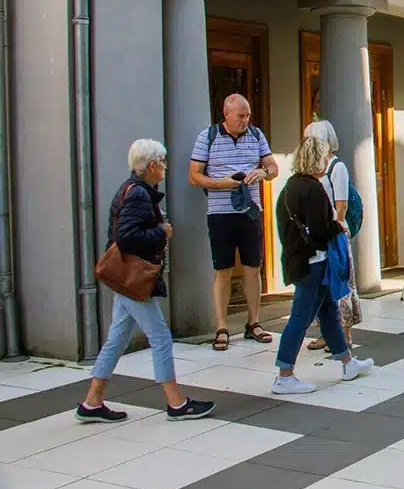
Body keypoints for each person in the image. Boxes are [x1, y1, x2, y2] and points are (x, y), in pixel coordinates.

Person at [78, 140, 216, 423]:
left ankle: (92, 402)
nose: (165, 166)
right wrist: (161, 231)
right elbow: (126, 238)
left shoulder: (131, 189)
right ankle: (176, 403)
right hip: (135, 279)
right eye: (162, 161)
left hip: (126, 278)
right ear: (151, 165)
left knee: (117, 339)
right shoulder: (139, 194)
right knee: (161, 338)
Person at [272, 136, 374, 394]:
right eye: (325, 156)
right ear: (318, 158)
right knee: (300, 317)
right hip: (314, 263)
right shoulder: (314, 189)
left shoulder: (289, 188)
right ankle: (284, 375)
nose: (328, 161)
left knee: (329, 312)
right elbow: (321, 229)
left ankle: (347, 362)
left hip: (300, 259)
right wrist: (337, 227)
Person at [188, 94, 279, 351]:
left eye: (248, 115)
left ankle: (254, 322)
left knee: (253, 266)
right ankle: (222, 327)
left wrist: (263, 172)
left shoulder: (257, 135)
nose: (245, 120)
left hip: (250, 212)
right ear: (226, 113)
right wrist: (222, 184)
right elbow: (193, 176)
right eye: (241, 116)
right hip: (220, 214)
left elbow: (273, 168)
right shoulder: (208, 137)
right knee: (223, 270)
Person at [301, 121, 363, 352]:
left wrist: (333, 227)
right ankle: (326, 334)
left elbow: (341, 205)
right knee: (322, 285)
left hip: (335, 235)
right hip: (316, 235)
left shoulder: (337, 168)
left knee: (341, 282)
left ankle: (345, 334)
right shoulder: (309, 168)